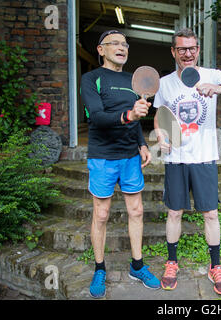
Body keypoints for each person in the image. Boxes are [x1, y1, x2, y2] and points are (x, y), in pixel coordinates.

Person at [153, 28, 221, 295]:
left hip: (205, 157)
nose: (188, 53)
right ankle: (172, 262)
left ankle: (215, 266)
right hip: (176, 157)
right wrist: (161, 136)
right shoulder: (165, 83)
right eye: (182, 49)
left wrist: (220, 88)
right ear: (173, 52)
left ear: (198, 50)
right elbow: (159, 116)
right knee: (174, 212)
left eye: (192, 48)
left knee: (211, 213)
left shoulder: (213, 75)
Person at [80, 30, 160, 298]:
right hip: (102, 155)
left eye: (125, 44)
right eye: (115, 43)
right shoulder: (91, 79)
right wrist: (128, 115)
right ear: (101, 50)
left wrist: (142, 144)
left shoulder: (132, 80)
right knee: (101, 214)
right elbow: (98, 118)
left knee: (136, 211)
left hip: (129, 156)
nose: (121, 47)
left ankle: (137, 265)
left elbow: (136, 118)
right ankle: (100, 268)